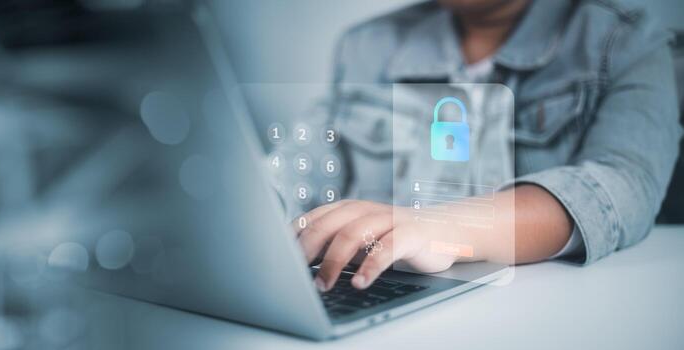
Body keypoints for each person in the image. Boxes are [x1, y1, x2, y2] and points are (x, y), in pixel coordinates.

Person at [288, 0, 681, 292]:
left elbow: (624, 181)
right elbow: (297, 170)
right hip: (376, 287)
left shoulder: (625, 41)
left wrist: (444, 227)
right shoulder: (364, 45)